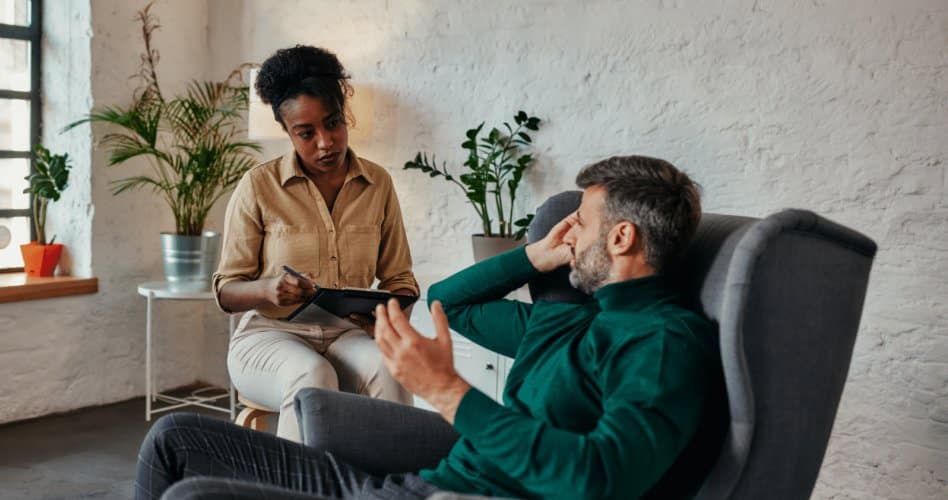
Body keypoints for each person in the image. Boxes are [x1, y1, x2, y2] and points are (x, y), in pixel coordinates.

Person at [138, 155, 725, 500]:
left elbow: (600, 476)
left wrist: (448, 391)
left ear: (622, 239)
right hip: (417, 486)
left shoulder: (661, 343)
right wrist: (533, 257)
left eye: (582, 223)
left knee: (194, 497)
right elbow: (449, 303)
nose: (568, 233)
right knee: (178, 438)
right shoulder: (567, 314)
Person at [212, 45, 419, 442]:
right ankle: (298, 486)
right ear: (288, 132)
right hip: (270, 337)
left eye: (333, 123)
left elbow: (400, 279)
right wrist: (268, 289)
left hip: (348, 336)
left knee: (391, 368)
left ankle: (389, 486)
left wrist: (389, 311)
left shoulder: (379, 184)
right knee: (312, 374)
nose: (325, 142)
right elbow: (226, 290)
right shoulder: (258, 185)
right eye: (306, 133)